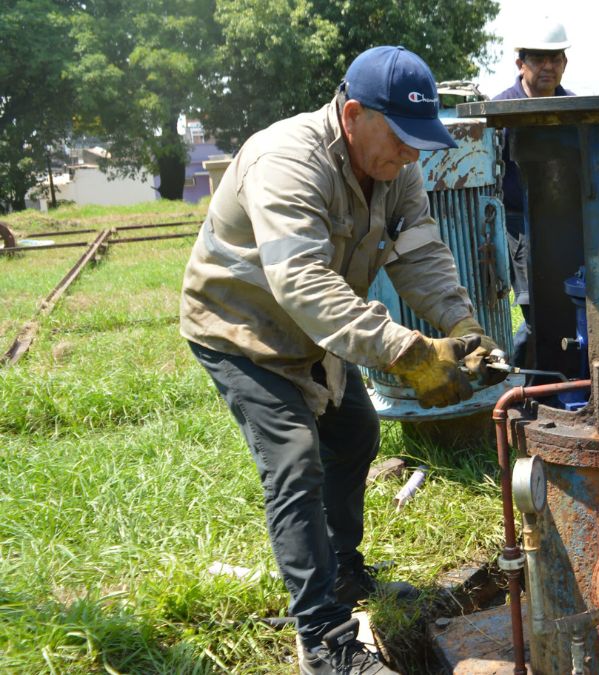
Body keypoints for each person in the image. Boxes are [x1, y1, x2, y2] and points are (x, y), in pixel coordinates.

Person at [180, 46, 502, 674]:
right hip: (242, 330)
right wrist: (407, 352)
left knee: (355, 433)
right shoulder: (286, 160)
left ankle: (344, 574)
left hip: (318, 332)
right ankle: (324, 640)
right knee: (295, 461)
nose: (412, 156)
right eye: (403, 139)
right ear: (354, 115)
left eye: (418, 142)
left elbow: (419, 253)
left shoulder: (395, 166)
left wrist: (464, 327)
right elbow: (301, 280)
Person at [492, 18, 575, 367]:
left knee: (571, 303)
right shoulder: (501, 110)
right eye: (539, 59)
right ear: (520, 63)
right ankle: (521, 376)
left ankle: (557, 374)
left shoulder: (574, 106)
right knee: (536, 309)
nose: (549, 67)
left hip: (564, 222)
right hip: (518, 223)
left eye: (556, 59)